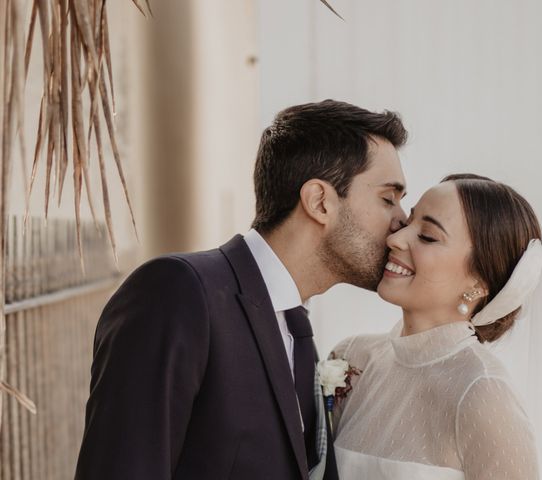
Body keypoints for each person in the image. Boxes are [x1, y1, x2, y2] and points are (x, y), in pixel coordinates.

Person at [74, 99, 409, 480]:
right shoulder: (179, 291)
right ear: (320, 202)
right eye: (388, 198)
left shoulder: (300, 338)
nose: (403, 221)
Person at [330, 173, 542, 479]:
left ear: (479, 283)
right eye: (408, 222)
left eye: (426, 236)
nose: (395, 238)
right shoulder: (353, 359)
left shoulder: (482, 393)